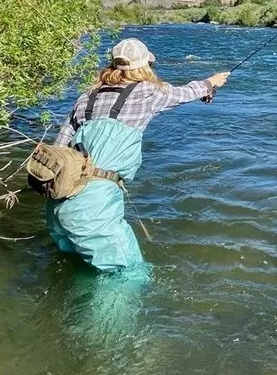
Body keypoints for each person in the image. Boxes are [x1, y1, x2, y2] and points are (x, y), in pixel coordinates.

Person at [46, 38, 229, 272]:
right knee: (126, 275)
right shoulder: (147, 92)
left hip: (58, 202)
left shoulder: (87, 96)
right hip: (94, 206)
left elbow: (59, 147)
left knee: (73, 269)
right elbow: (186, 92)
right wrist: (212, 81)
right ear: (144, 66)